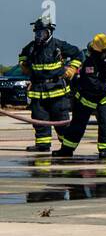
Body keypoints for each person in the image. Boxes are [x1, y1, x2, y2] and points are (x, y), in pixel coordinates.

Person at [54, 34, 106, 158]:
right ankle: (67, 149)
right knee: (77, 126)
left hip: (104, 99)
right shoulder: (90, 64)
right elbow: (94, 85)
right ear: (99, 51)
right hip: (87, 100)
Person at [17, 17, 82, 152]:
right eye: (37, 33)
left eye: (42, 33)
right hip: (38, 91)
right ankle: (42, 144)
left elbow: (78, 53)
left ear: (50, 32)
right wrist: (23, 65)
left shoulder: (59, 46)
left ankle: (67, 145)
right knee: (39, 120)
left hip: (57, 90)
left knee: (61, 121)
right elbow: (22, 55)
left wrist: (72, 69)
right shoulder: (31, 48)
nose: (39, 36)